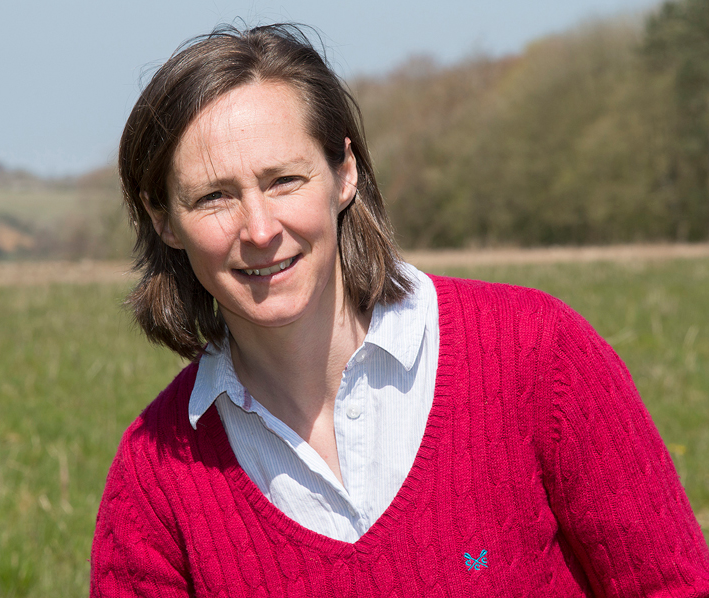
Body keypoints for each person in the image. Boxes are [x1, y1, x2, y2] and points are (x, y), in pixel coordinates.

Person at [91, 23, 709, 597]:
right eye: (213, 197)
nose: (259, 229)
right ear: (163, 219)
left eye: (284, 180)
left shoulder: (538, 353)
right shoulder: (154, 482)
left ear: (344, 173)